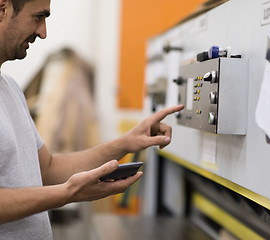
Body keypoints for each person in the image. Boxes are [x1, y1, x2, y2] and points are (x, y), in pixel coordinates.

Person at [0, 0, 184, 239]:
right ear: (3, 9)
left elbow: (47, 168)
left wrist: (126, 143)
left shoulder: (10, 89)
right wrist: (68, 193)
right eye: (38, 17)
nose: (43, 32)